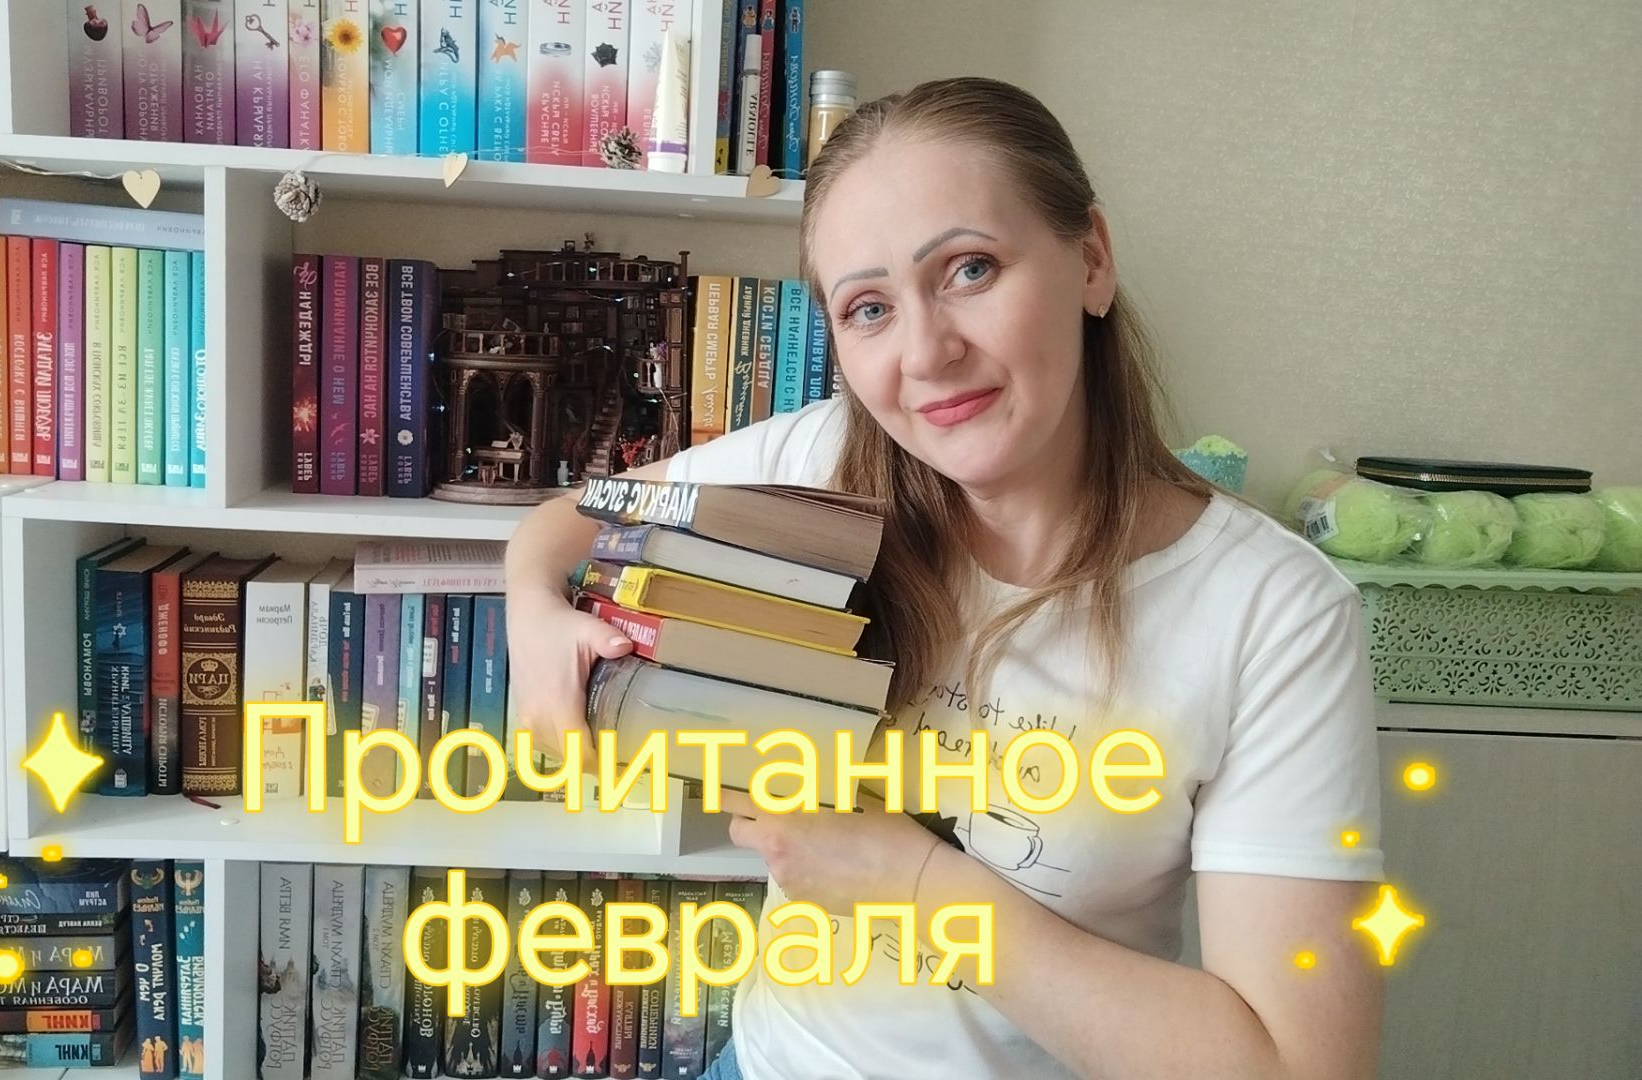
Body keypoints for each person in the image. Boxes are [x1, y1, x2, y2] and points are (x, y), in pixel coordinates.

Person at [503, 76, 1386, 1080]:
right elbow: (567, 521)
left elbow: (1299, 1064)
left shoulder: (1274, 613)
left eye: (971, 269)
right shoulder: (816, 463)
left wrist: (916, 884)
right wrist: (535, 617)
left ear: (1092, 260)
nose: (926, 353)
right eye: (869, 308)